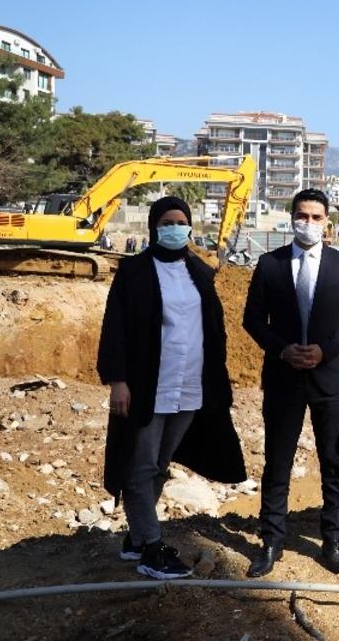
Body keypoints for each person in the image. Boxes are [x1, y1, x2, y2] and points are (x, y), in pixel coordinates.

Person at [97, 196, 246, 580]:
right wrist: (118, 381)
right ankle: (150, 547)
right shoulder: (135, 272)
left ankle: (135, 536)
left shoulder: (198, 271)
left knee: (160, 464)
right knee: (141, 464)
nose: (176, 227)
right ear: (153, 227)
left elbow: (213, 329)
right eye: (167, 221)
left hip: (191, 386)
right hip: (149, 386)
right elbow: (114, 328)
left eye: (182, 221)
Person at [243, 188, 339, 577]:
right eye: (302, 215)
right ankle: (272, 540)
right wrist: (282, 350)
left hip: (329, 378)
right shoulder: (269, 264)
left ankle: (332, 538)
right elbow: (252, 319)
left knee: (333, 460)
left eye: (315, 217)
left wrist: (324, 352)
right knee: (278, 461)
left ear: (327, 222)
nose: (308, 223)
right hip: (283, 377)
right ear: (291, 218)